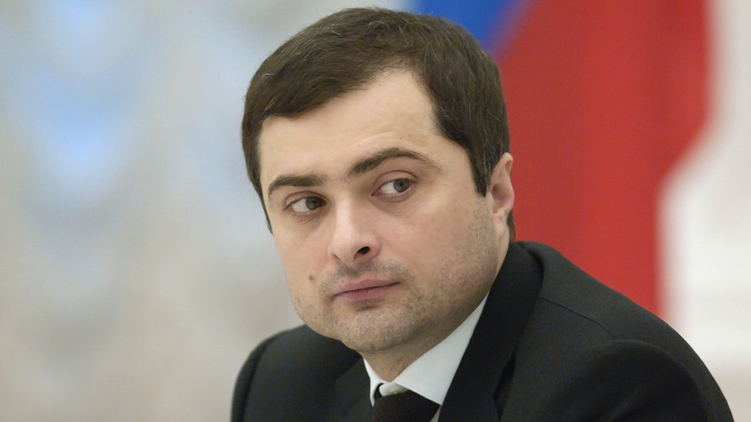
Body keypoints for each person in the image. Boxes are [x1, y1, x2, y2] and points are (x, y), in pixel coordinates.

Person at [231, 7, 733, 422]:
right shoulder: (280, 382)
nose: (347, 241)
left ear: (496, 192)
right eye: (308, 203)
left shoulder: (621, 387)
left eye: (396, 185)